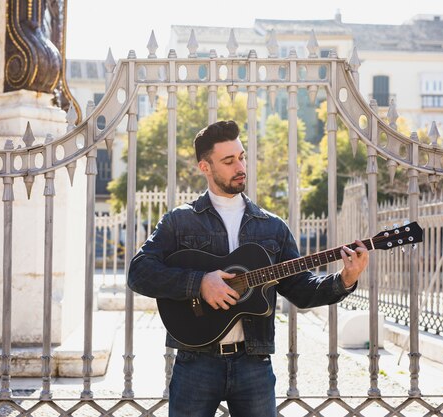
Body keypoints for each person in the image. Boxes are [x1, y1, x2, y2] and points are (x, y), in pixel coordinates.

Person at [127, 120, 369, 417]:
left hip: (253, 362)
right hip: (196, 362)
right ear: (205, 167)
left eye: (241, 157)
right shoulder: (179, 221)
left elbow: (301, 290)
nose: (240, 166)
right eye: (228, 161)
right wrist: (199, 283)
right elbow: (139, 272)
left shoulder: (272, 226)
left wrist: (346, 278)